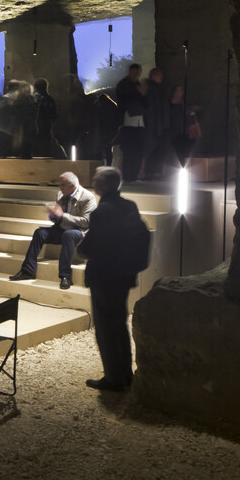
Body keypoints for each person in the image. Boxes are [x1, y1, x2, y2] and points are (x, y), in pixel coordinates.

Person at [77, 166, 151, 391]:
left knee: (106, 329)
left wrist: (81, 248)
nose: (92, 181)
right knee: (119, 325)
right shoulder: (130, 206)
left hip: (104, 277)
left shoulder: (102, 212)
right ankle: (124, 374)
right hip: (124, 276)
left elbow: (91, 247)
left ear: (105, 185)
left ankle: (113, 378)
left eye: (96, 179)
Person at [9, 171, 96, 288]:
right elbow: (58, 219)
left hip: (79, 231)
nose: (60, 188)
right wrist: (53, 216)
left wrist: (62, 215)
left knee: (68, 235)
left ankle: (65, 276)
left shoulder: (88, 197)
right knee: (39, 233)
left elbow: (86, 222)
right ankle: (27, 271)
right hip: (62, 228)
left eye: (63, 185)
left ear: (72, 186)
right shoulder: (61, 195)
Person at [115, 63, 148, 182]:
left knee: (138, 150)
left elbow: (144, 101)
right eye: (133, 72)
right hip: (128, 121)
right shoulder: (124, 85)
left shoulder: (138, 85)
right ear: (129, 72)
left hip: (140, 121)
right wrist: (138, 92)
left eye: (137, 73)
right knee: (129, 150)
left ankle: (134, 175)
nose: (135, 75)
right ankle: (128, 176)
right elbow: (125, 99)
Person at [141, 68, 171, 179]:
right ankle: (144, 172)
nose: (161, 77)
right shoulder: (150, 88)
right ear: (152, 76)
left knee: (157, 149)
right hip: (152, 124)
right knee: (148, 148)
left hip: (158, 124)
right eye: (158, 75)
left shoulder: (159, 89)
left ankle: (153, 172)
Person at [30, 78, 60, 158]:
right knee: (46, 151)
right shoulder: (51, 99)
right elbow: (54, 116)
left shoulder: (33, 99)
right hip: (46, 128)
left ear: (35, 87)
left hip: (35, 129)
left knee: (35, 152)